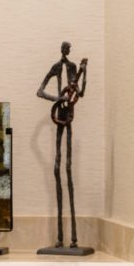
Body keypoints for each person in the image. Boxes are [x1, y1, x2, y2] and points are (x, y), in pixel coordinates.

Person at [36, 41, 88, 249]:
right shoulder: (57, 67)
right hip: (59, 113)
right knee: (57, 168)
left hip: (69, 115)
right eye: (65, 49)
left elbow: (80, 92)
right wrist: (57, 98)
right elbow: (40, 91)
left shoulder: (74, 68)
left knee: (68, 168)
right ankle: (60, 237)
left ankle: (74, 238)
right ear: (61, 50)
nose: (67, 52)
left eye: (69, 49)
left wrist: (86, 72)